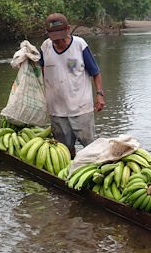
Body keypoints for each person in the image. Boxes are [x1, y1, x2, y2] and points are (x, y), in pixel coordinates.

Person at [39, 13, 104, 158]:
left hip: (80, 107)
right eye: (54, 39)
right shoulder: (45, 47)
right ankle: (69, 171)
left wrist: (100, 94)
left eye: (61, 38)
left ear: (68, 29)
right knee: (64, 149)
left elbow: (96, 72)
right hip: (57, 110)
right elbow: (40, 69)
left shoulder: (80, 45)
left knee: (90, 146)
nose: (58, 42)